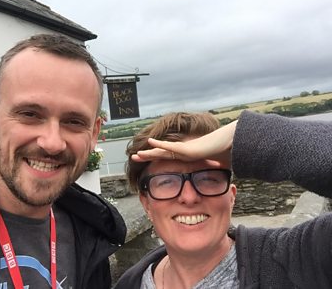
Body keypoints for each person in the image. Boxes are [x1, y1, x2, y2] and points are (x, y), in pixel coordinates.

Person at [0, 34, 126, 289]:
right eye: (30, 114)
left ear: (93, 133)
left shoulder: (93, 233)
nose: (52, 142)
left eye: (74, 121)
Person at [114, 110, 332, 288]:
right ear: (147, 204)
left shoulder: (300, 258)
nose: (189, 197)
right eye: (166, 182)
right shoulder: (129, 285)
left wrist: (243, 135)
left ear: (231, 196)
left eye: (208, 178)